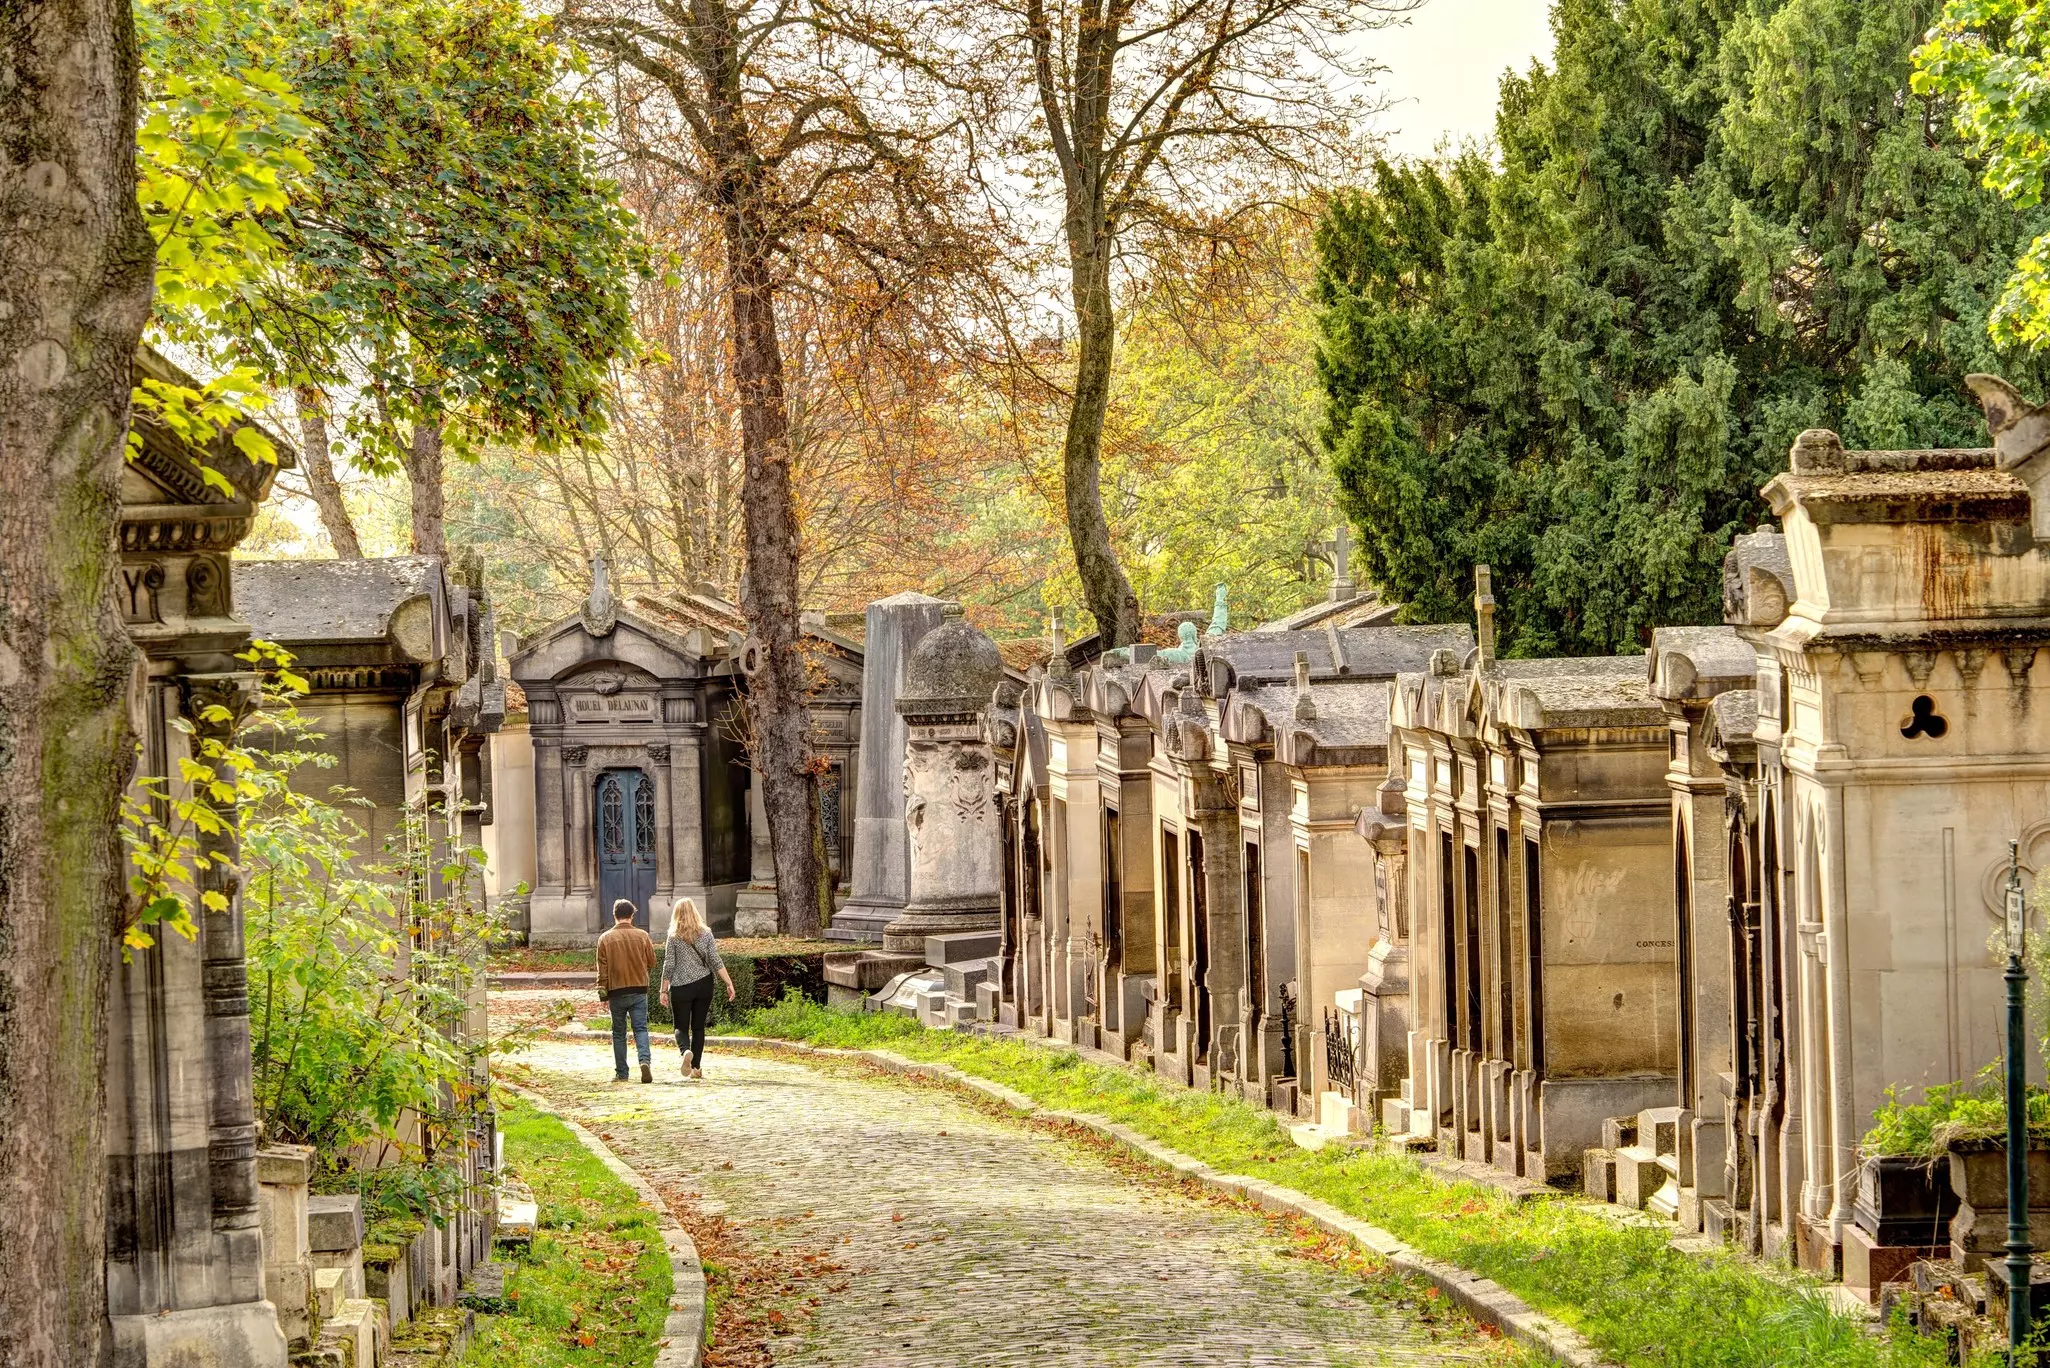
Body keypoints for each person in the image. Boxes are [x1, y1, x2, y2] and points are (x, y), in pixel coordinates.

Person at [660, 897, 735, 1080]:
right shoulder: (706, 933)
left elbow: (669, 964)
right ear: (695, 911)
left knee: (681, 1026)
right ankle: (696, 1068)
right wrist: (728, 982)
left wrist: (663, 989)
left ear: (676, 914)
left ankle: (685, 1051)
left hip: (681, 985)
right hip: (704, 984)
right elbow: (715, 960)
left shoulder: (674, 936)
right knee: (699, 1027)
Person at [595, 899, 658, 1083]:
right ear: (632, 915)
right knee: (641, 1028)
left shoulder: (605, 938)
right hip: (639, 988)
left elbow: (602, 968)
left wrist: (602, 988)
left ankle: (622, 1072)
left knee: (618, 1032)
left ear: (614, 915)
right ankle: (644, 1061)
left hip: (616, 990)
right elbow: (652, 962)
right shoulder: (642, 935)